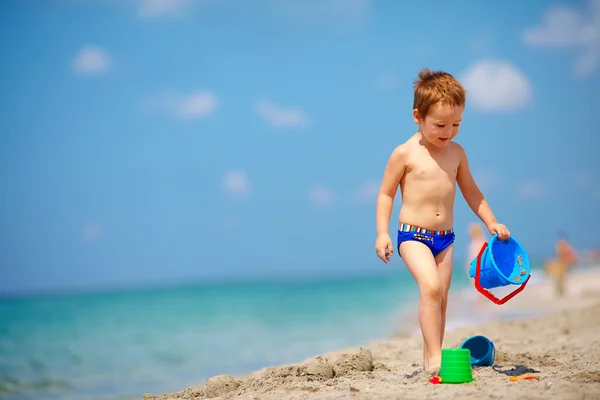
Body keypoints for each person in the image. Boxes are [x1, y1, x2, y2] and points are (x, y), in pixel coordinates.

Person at [374, 68, 510, 376]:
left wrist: (491, 222)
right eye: (440, 125)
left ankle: (429, 363)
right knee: (431, 290)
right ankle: (437, 357)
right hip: (413, 236)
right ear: (417, 116)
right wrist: (382, 233)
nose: (448, 131)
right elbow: (385, 194)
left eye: (456, 124)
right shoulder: (404, 153)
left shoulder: (457, 154)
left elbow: (472, 193)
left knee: (442, 300)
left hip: (445, 239)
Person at [544, 233, 579, 297]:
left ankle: (561, 293)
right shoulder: (563, 246)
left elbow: (567, 255)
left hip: (563, 264)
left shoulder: (564, 246)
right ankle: (560, 293)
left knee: (560, 280)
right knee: (559, 280)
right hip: (562, 264)